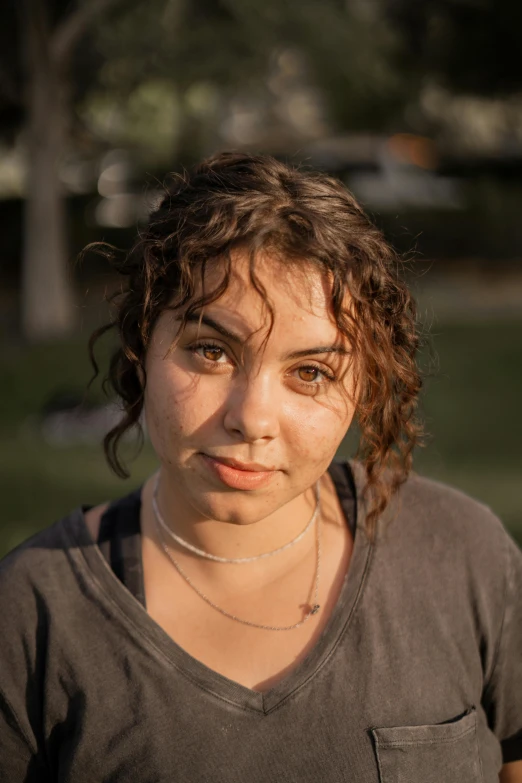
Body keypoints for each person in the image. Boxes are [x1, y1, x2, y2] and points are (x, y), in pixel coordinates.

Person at [0, 152, 521, 783]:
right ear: (142, 345)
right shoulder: (30, 614)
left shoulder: (464, 555)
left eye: (310, 372)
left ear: (363, 386)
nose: (253, 417)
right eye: (211, 351)